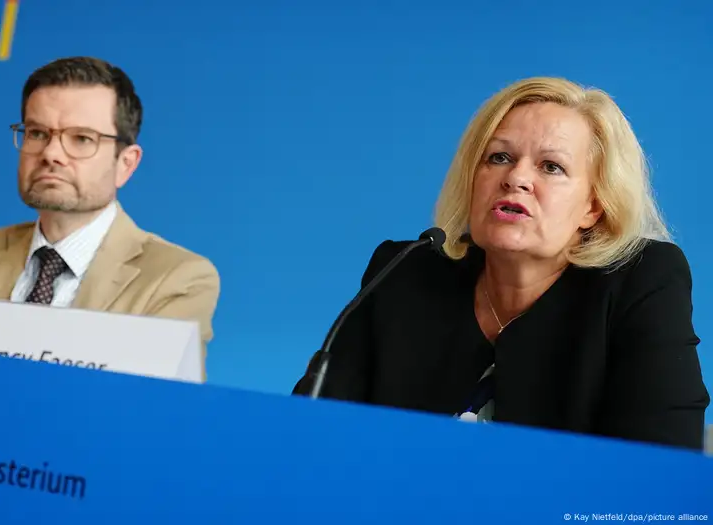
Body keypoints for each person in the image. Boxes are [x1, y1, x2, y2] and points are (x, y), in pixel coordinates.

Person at [292, 77, 709, 450]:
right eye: (499, 158)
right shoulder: (404, 270)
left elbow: (658, 468)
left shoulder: (642, 281)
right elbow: (310, 435)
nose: (516, 178)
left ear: (594, 207)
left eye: (551, 166)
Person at [0, 56, 220, 376]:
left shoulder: (177, 279)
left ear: (126, 164)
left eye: (81, 139)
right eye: (37, 133)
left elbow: (153, 413)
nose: (51, 153)